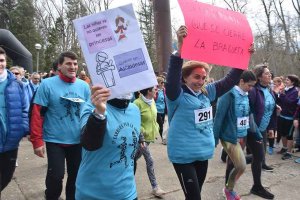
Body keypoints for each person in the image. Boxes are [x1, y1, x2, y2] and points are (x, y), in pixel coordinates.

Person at [165, 25, 249, 200]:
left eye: (203, 78)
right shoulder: (176, 95)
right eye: (196, 77)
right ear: (185, 78)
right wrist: (179, 50)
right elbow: (171, 79)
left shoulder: (206, 92)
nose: (201, 81)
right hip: (183, 156)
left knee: (195, 196)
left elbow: (229, 81)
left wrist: (243, 58)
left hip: (202, 154)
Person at [30, 51, 90, 200]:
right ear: (59, 66)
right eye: (68, 63)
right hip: (55, 140)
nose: (73, 67)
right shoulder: (47, 84)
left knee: (76, 178)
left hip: (78, 141)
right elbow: (37, 114)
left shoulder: (84, 86)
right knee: (56, 177)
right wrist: (37, 141)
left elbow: (90, 113)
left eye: (75, 64)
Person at [75, 88, 141, 199]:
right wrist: (99, 113)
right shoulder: (92, 106)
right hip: (93, 194)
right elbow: (89, 144)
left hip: (127, 193)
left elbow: (131, 152)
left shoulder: (135, 109)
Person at [214, 71, 257, 200]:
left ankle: (229, 188)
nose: (251, 88)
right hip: (229, 137)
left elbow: (248, 116)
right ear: (241, 81)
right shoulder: (228, 94)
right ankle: (228, 189)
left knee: (238, 165)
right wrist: (214, 139)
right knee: (241, 165)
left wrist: (257, 134)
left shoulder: (246, 94)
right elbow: (219, 117)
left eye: (253, 86)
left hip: (242, 135)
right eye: (249, 85)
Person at [247, 64, 278, 199]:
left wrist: (271, 128)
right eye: (266, 73)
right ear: (259, 77)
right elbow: (249, 111)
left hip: (264, 128)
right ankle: (257, 187)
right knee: (258, 156)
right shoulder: (254, 90)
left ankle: (235, 159)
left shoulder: (270, 91)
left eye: (269, 73)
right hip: (253, 129)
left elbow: (271, 111)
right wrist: (254, 131)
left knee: (259, 155)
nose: (269, 75)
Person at [0, 47, 29, 192]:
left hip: (10, 141)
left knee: (6, 177)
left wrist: (22, 129)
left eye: (1, 60)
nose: (0, 64)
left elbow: (25, 109)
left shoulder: (16, 84)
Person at [134, 87, 166, 197]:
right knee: (150, 160)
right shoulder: (136, 103)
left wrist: (156, 128)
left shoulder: (152, 101)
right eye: (155, 89)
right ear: (148, 91)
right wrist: (141, 135)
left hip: (149, 139)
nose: (156, 91)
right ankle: (155, 187)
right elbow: (135, 122)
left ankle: (124, 179)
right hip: (140, 139)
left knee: (132, 159)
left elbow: (154, 118)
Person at [277, 75, 299, 159]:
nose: (286, 81)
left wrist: (282, 95)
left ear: (292, 82)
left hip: (290, 117)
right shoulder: (285, 89)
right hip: (282, 114)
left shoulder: (295, 91)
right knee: (282, 133)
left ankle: (289, 153)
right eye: (286, 79)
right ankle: (284, 148)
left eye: (288, 80)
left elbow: (290, 103)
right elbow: (280, 101)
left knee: (289, 135)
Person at [154, 76, 167, 144]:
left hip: (163, 109)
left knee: (162, 124)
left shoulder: (164, 90)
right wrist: (155, 93)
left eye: (163, 82)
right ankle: (163, 139)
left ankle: (155, 134)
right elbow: (153, 99)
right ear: (158, 83)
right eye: (161, 82)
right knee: (161, 125)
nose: (163, 84)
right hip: (157, 110)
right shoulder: (155, 90)